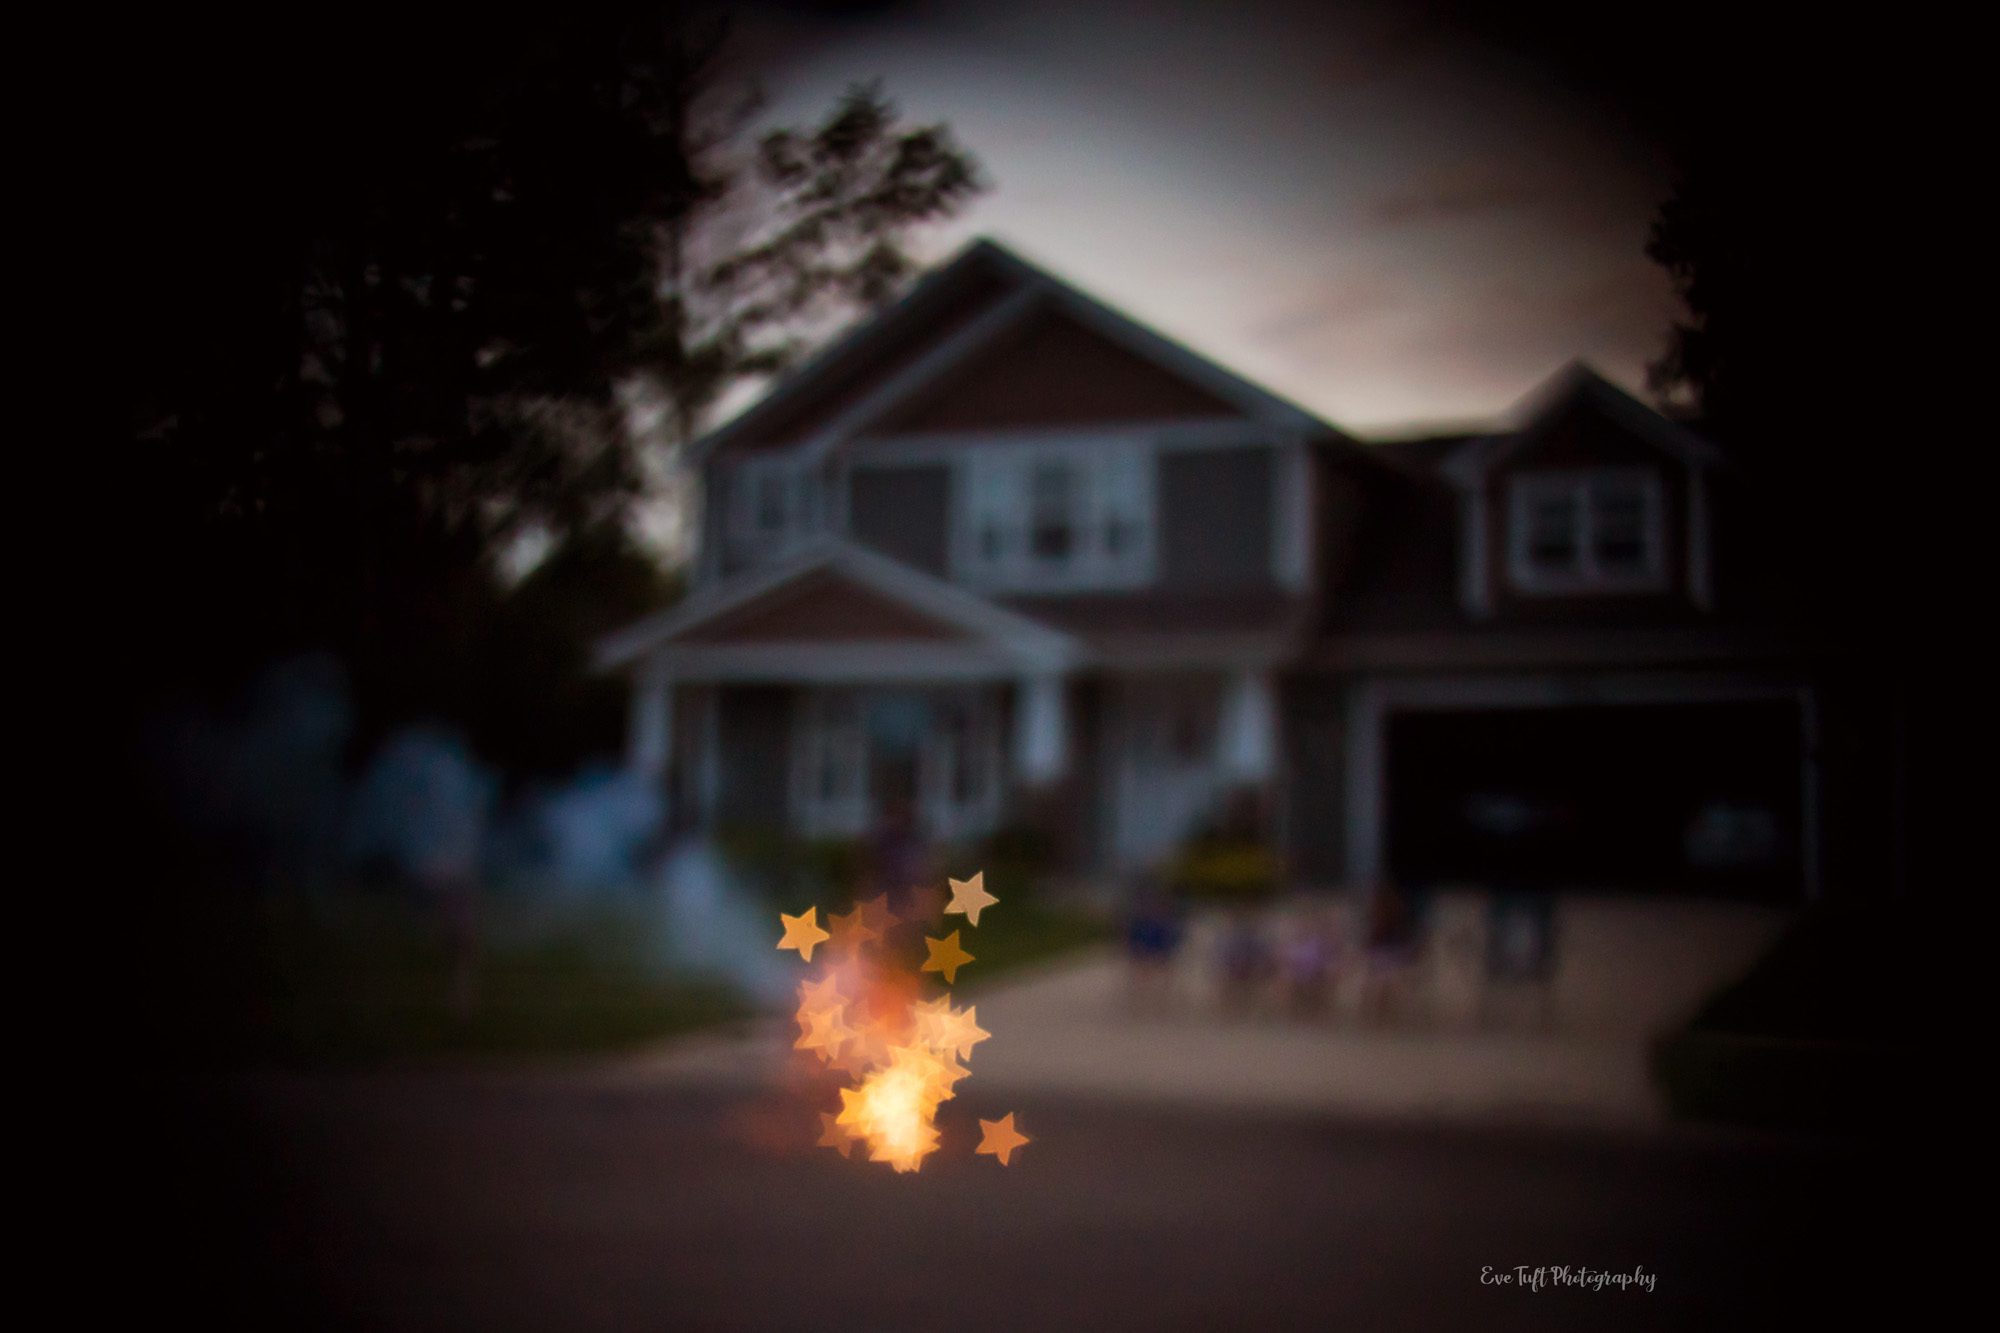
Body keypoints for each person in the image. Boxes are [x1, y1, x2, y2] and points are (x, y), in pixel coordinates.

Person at [1123, 882, 1185, 1014]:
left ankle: (1157, 1000)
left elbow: (1171, 935)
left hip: (1160, 949)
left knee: (1159, 976)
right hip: (1145, 949)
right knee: (1144, 976)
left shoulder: (1164, 919)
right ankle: (1143, 1000)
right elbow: (1133, 935)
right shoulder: (1141, 919)